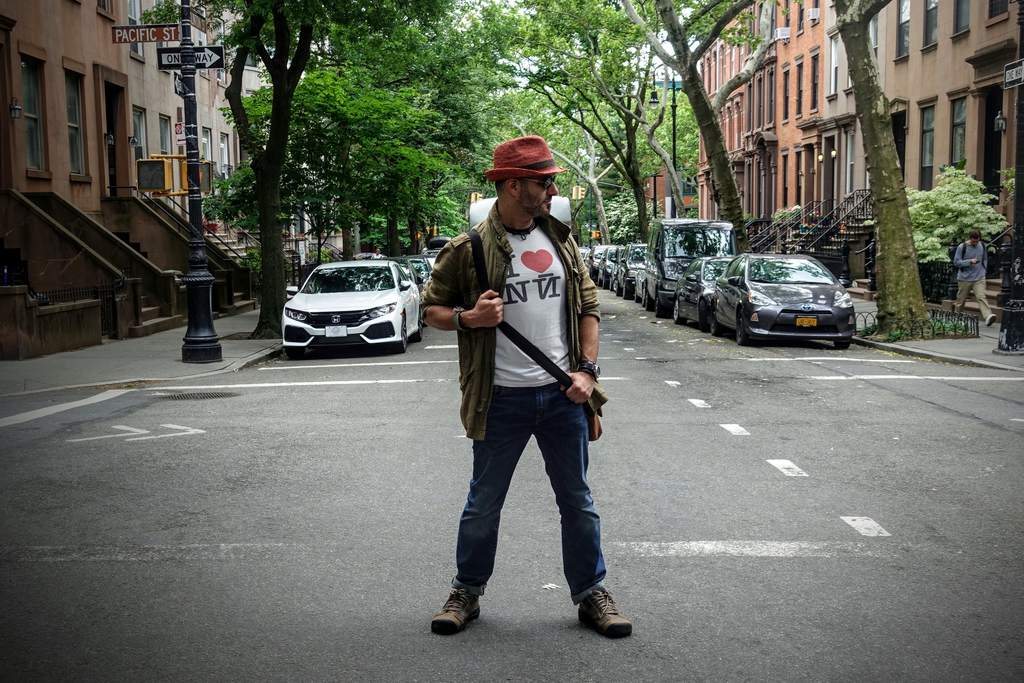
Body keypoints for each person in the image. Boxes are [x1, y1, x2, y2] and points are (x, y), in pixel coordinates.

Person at [420, 135, 631, 638]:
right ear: (514, 186)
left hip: (562, 397)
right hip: (500, 398)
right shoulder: (468, 249)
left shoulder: (561, 241)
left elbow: (588, 309)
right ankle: (466, 591)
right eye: (544, 181)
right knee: (483, 503)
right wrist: (469, 318)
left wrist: (587, 372)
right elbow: (431, 310)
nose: (552, 189)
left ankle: (591, 593)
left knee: (578, 501)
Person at [953, 230, 996, 326]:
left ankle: (988, 316)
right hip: (964, 278)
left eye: (977, 241)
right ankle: (957, 317)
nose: (975, 243)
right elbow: (956, 262)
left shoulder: (982, 245)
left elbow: (985, 259)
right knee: (961, 300)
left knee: (981, 297)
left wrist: (984, 270)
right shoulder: (962, 247)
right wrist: (969, 262)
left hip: (979, 277)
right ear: (970, 239)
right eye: (973, 241)